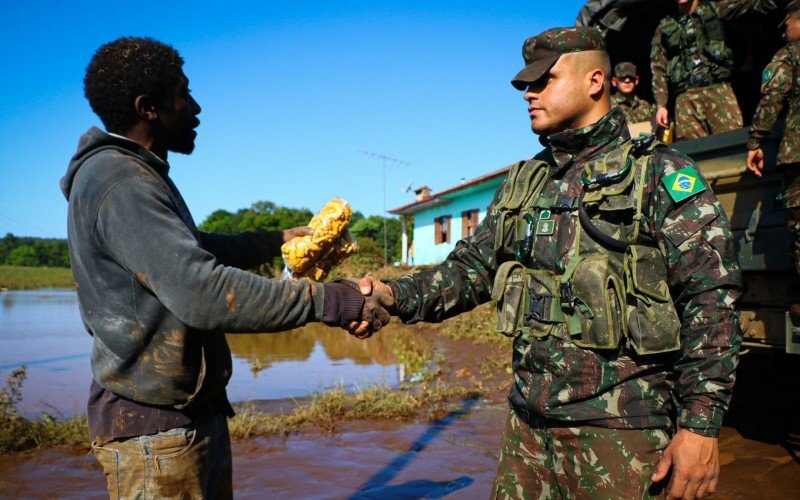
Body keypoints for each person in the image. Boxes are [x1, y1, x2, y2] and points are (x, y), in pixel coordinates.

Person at [353, 27, 743, 498]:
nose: (529, 95)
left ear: (595, 81)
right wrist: (392, 296)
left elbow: (711, 300)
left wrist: (700, 427)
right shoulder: (526, 182)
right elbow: (468, 270)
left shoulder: (659, 172)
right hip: (527, 428)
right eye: (525, 86)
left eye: (544, 81)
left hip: (619, 432)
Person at [61, 37, 385, 498]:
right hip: (157, 434)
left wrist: (276, 240)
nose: (195, 107)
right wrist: (335, 299)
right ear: (148, 107)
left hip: (186, 416)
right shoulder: (120, 181)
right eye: (183, 93)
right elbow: (203, 291)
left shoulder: (139, 175)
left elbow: (193, 249)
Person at [651, 0, 776, 140]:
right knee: (693, 154)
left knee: (731, 144)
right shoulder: (664, 27)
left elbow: (754, 6)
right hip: (686, 100)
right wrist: (661, 105)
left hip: (718, 91)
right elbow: (658, 67)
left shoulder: (717, 9)